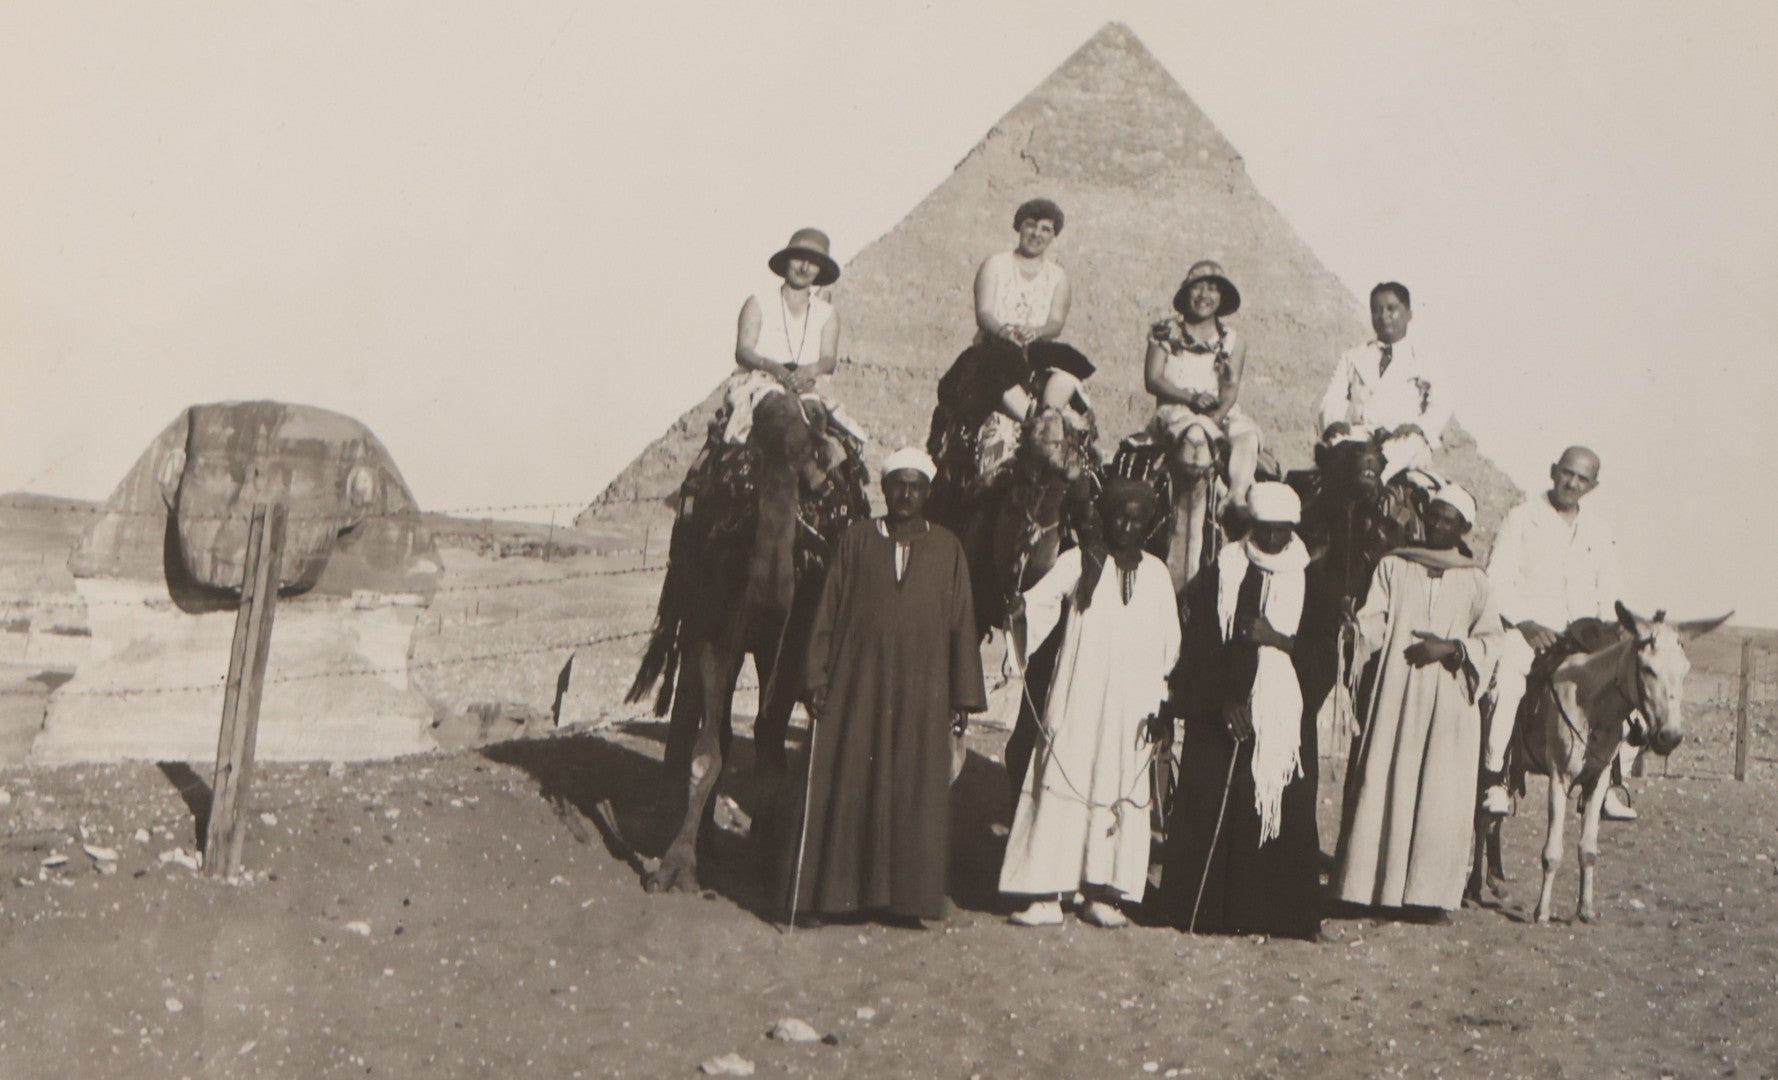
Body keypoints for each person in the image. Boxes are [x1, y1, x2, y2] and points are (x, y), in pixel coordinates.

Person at [795, 447, 987, 925]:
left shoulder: (948, 548)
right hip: (857, 688)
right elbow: (828, 610)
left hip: (923, 694)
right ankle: (836, 897)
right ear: (883, 489)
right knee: (848, 782)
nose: (906, 493)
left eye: (915, 486)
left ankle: (906, 902)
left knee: (912, 788)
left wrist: (962, 696)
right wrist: (816, 677)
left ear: (928, 492)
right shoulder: (856, 539)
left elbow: (962, 623)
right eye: (897, 484)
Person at [997, 477, 1181, 929]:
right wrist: (1020, 610)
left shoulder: (1157, 574)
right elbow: (1040, 604)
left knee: (1115, 782)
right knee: (1064, 771)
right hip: (1078, 694)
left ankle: (1102, 890)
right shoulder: (1078, 561)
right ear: (1105, 516)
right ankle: (1044, 893)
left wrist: (1161, 703)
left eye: (1138, 518)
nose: (1127, 525)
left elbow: (1167, 645)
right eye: (1119, 514)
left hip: (1131, 705)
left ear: (1149, 524)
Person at [1151, 483, 1321, 940]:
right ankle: (1203, 913)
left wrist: (1275, 638)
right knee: (1212, 804)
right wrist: (1221, 702)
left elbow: (1322, 657)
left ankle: (1273, 917)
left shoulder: (1311, 577)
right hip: (1221, 713)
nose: (1270, 542)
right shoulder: (1224, 568)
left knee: (1280, 810)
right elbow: (1201, 642)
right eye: (1263, 531)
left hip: (1283, 720)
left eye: (1280, 533)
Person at [1331, 485, 1502, 918]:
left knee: (1440, 792)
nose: (1438, 525)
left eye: (1449, 520)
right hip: (1397, 692)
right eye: (1435, 516)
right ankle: (1374, 890)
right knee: (1389, 780)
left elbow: (1491, 639)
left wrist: (1452, 649)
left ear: (1464, 528)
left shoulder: (1476, 578)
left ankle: (1426, 896)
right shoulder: (1394, 566)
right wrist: (1355, 631)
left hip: (1448, 700)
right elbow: (1377, 618)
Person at [1480, 445, 1634, 818]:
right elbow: (1496, 580)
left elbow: (1611, 592)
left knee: (1632, 688)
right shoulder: (1522, 518)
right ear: (1553, 471)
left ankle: (1611, 781)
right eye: (1567, 473)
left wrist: (1611, 633)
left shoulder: (1598, 530)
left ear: (1592, 486)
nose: (1572, 482)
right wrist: (1526, 624)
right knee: (1509, 683)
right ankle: (1495, 777)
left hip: (1585, 636)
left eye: (1582, 478)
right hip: (1532, 629)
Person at [929, 199, 1095, 489]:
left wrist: (1037, 331)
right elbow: (984, 313)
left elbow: (1056, 322)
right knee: (997, 362)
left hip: (1036, 347)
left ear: (1053, 236)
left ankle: (1049, 418)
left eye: (1046, 229)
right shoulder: (995, 264)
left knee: (1069, 364)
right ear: (1019, 226)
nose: (1037, 234)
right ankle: (1032, 422)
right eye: (1031, 225)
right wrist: (1004, 331)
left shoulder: (1058, 277)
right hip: (996, 346)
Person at [1145, 260, 1264, 511]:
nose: (1203, 295)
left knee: (1247, 435)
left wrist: (1216, 419)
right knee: (1194, 432)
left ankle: (1236, 497)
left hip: (1219, 414)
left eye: (1212, 289)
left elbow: (1230, 391)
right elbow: (1153, 379)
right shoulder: (1165, 332)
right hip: (1175, 411)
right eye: (1196, 287)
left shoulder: (1234, 341)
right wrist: (1190, 399)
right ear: (1185, 293)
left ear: (1221, 297)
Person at [1316, 282, 1452, 485]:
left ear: (1409, 314)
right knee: (1338, 442)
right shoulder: (1353, 357)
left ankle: (1377, 481)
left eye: (1391, 309)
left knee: (1410, 445)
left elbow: (1441, 403)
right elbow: (1332, 397)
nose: (1383, 316)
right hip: (1360, 434)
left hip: (1399, 438)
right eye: (1376, 310)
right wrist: (1334, 422)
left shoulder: (1424, 359)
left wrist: (1420, 427)